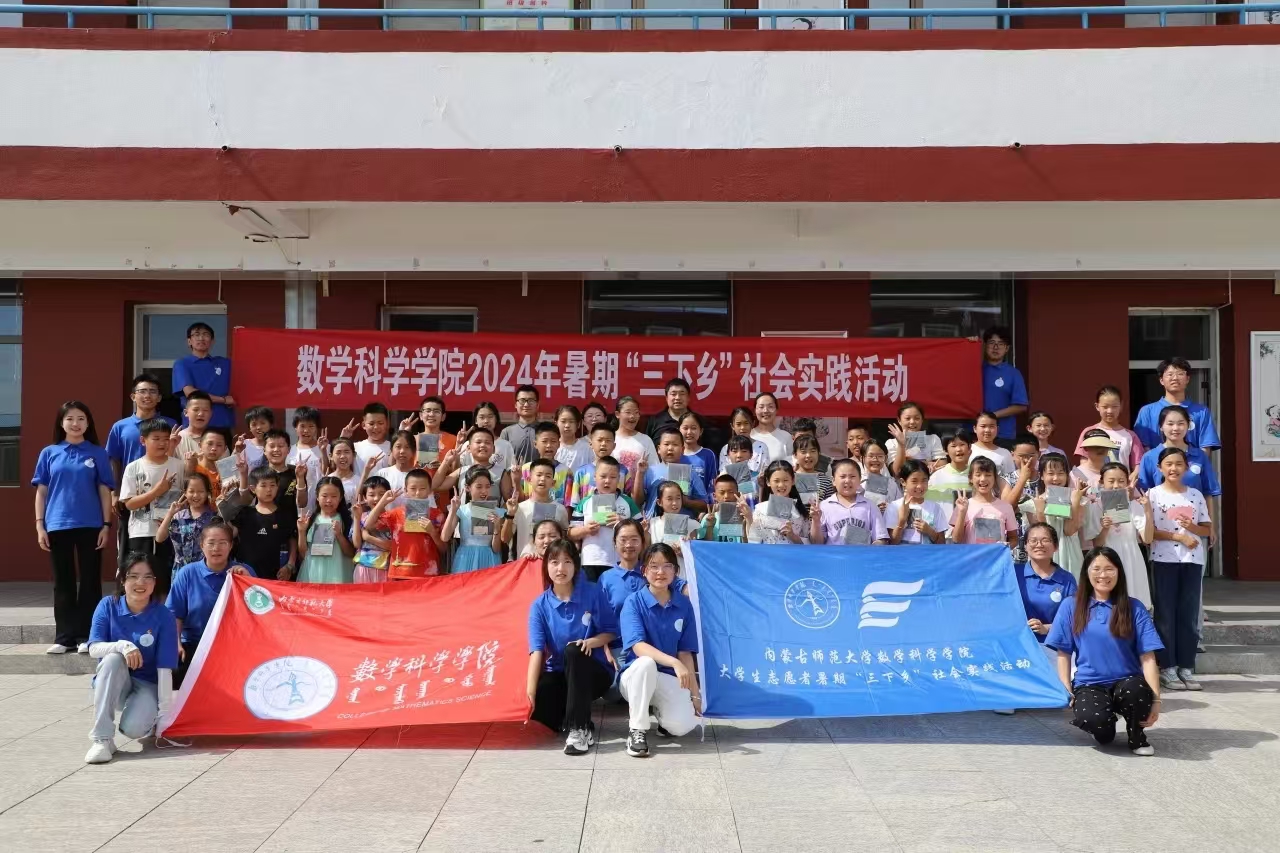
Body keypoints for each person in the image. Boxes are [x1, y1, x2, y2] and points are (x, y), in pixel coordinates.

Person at [1045, 547, 1163, 756]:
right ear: (1086, 572)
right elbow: (1063, 653)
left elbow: (1148, 657)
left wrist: (1156, 700)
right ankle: (1106, 724)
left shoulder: (1134, 607)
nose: (1103, 575)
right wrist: (1066, 689)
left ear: (1118, 572)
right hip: (1090, 683)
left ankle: (1137, 736)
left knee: (1137, 691)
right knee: (1097, 726)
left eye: (1109, 569)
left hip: (1128, 681)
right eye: (1096, 569)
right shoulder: (1071, 606)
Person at [33, 401, 115, 655]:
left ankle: (86, 636)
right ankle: (65, 636)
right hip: (57, 524)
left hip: (91, 525)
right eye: (70, 418)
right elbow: (41, 492)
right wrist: (40, 525)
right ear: (61, 423)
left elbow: (104, 491)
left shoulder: (98, 453)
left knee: (90, 581)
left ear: (88, 423)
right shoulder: (49, 453)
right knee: (63, 582)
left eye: (81, 418)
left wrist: (106, 525)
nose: (75, 423)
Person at [84, 553, 179, 764]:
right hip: (114, 681)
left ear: (155, 581)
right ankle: (102, 739)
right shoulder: (107, 605)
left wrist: (164, 713)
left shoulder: (164, 615)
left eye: (148, 577)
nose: (140, 583)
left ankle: (145, 717)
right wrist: (122, 646)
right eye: (133, 576)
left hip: (147, 684)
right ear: (122, 579)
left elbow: (165, 667)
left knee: (134, 730)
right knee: (112, 659)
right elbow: (93, 648)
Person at [526, 540, 618, 755]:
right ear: (546, 566)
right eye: (554, 562)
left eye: (567, 561)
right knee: (543, 713)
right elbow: (537, 651)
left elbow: (611, 631)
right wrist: (530, 692)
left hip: (594, 672)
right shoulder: (539, 605)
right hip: (561, 673)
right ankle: (579, 716)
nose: (561, 568)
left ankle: (579, 728)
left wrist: (590, 642)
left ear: (576, 565)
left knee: (574, 651)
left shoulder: (593, 592)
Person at [618, 543, 701, 757]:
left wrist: (695, 695)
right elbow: (638, 646)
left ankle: (661, 715)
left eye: (667, 566)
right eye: (653, 566)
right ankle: (637, 730)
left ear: (676, 571)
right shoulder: (633, 602)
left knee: (683, 726)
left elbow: (685, 652)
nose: (660, 572)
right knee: (646, 663)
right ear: (644, 571)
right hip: (635, 676)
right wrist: (673, 662)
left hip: (666, 679)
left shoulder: (684, 605)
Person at [1147, 447, 1212, 692]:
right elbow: (1149, 532)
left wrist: (1191, 528)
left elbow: (1207, 529)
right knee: (1165, 614)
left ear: (1186, 467)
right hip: (1163, 559)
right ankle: (1167, 667)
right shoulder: (1153, 495)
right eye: (1168, 464)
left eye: (1178, 464)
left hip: (1192, 561)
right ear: (1160, 468)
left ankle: (1186, 666)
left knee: (1188, 614)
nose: (1173, 468)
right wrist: (1178, 536)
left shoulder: (1195, 495)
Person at [166, 520, 253, 687]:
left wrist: (248, 582)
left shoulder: (244, 572)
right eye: (211, 543)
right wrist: (175, 643)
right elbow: (174, 613)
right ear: (202, 545)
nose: (216, 548)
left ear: (231, 546)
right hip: (194, 644)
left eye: (222, 543)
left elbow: (260, 611)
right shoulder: (187, 573)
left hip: (233, 646)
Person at [106, 374, 174, 570]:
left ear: (159, 397)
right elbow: (113, 459)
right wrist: (114, 492)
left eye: (152, 392)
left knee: (164, 549)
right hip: (132, 495)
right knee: (129, 550)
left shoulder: (170, 424)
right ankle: (128, 584)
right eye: (142, 391)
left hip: (166, 494)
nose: (147, 396)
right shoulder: (120, 427)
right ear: (133, 396)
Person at [119, 417, 185, 589]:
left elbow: (185, 497)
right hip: (142, 531)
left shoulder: (179, 466)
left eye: (165, 439)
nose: (162, 443)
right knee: (143, 576)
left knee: (167, 579)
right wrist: (157, 491)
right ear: (143, 440)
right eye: (156, 438)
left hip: (173, 531)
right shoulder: (134, 467)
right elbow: (129, 504)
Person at [1136, 406, 1221, 538]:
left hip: (1195, 531)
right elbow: (1143, 495)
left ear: (1188, 426)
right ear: (1161, 427)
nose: (1175, 428)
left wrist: (1211, 528)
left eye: (1181, 423)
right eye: (1170, 424)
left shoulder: (1199, 456)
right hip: (1161, 532)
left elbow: (1208, 493)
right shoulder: (1150, 457)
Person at [1088, 463, 1154, 608]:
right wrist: (1105, 528)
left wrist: (1148, 511)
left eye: (1121, 481)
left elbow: (1147, 538)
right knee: (1111, 603)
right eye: (1111, 481)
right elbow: (1097, 544)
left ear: (1127, 483)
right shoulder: (1095, 507)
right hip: (1107, 559)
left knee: (1134, 601)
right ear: (1101, 482)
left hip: (1132, 559)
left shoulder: (1133, 505)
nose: (1116, 486)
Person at [363, 471, 446, 579]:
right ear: (406, 490)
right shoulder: (396, 513)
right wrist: (382, 502)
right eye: (413, 488)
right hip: (399, 572)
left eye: (422, 489)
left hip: (427, 573)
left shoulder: (437, 515)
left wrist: (432, 532)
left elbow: (443, 549)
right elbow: (368, 525)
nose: (417, 493)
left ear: (430, 490)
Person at [569, 456, 639, 581]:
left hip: (620, 561)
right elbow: (571, 533)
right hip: (590, 561)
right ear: (594, 477)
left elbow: (641, 531)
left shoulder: (628, 502)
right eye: (603, 476)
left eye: (613, 477)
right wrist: (586, 530)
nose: (607, 481)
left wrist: (622, 524)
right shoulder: (585, 502)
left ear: (619, 479)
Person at [221, 468, 297, 581]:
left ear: (278, 486)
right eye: (263, 485)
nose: (269, 490)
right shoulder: (245, 513)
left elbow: (292, 540)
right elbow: (231, 533)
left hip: (276, 577)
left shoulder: (285, 515)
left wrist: (290, 566)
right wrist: (223, 507)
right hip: (246, 575)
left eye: (272, 485)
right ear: (253, 488)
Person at [1133, 356, 1221, 453]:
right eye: (1170, 374)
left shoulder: (1201, 411)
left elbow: (1205, 447)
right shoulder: (1147, 411)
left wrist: (1195, 463)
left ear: (1187, 379)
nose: (1175, 378)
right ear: (1161, 380)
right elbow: (1143, 447)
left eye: (1180, 374)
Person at [1030, 452, 1090, 579]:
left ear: (1067, 475)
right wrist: (1040, 511)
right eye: (1051, 473)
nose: (1056, 478)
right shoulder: (1034, 503)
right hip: (1044, 555)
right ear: (1041, 476)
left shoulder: (1078, 500)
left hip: (1070, 555)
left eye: (1061, 473)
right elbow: (1043, 535)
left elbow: (1069, 530)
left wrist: (1075, 503)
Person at [634, 428, 709, 519]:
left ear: (682, 449)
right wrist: (640, 473)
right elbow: (637, 502)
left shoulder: (690, 473)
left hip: (682, 523)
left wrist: (687, 502)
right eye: (666, 444)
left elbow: (704, 505)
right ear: (659, 449)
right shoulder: (649, 471)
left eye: (675, 444)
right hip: (654, 523)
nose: (670, 448)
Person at [501, 459, 570, 558]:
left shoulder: (560, 509)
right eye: (539, 475)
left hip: (551, 563)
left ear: (553, 483)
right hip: (526, 562)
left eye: (548, 476)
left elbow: (564, 539)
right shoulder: (520, 508)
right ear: (529, 479)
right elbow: (505, 539)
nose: (543, 479)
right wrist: (510, 515)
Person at [173, 322, 234, 429]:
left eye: (206, 334)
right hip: (195, 426)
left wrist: (241, 336)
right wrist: (223, 400)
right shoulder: (182, 364)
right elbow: (190, 393)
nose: (201, 338)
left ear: (212, 341)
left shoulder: (225, 363)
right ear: (189, 341)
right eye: (196, 335)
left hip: (221, 423)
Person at [813, 458, 889, 545]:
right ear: (833, 481)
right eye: (842, 477)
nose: (847, 480)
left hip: (862, 553)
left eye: (852, 476)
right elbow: (817, 543)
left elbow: (881, 538)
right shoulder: (824, 506)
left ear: (860, 480)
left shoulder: (870, 506)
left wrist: (874, 547)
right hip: (834, 553)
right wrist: (816, 521)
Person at [155, 472, 217, 576]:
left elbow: (231, 533)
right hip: (180, 572)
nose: (196, 495)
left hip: (205, 572)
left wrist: (222, 509)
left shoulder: (214, 518)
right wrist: (170, 514)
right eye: (191, 491)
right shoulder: (178, 516)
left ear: (207, 493)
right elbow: (159, 538)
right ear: (185, 493)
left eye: (201, 491)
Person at [296, 476, 356, 584]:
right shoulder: (310, 520)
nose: (329, 500)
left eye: (334, 496)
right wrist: (301, 531)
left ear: (340, 498)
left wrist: (339, 535)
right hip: (313, 573)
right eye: (324, 496)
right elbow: (303, 553)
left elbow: (351, 553)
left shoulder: (345, 520)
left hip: (338, 574)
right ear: (317, 496)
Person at [1074, 386, 1144, 474]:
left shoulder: (1130, 436)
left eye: (1114, 406)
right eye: (1105, 407)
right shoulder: (1089, 432)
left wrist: (1132, 477)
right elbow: (1084, 461)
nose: (1110, 411)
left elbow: (1138, 465)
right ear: (1097, 406)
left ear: (1121, 406)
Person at [950, 457, 1018, 548]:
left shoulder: (1006, 507)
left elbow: (1013, 538)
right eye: (978, 475)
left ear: (995, 478)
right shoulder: (963, 505)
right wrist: (962, 512)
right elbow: (956, 539)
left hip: (996, 556)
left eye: (988, 475)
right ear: (970, 478)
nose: (983, 479)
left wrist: (1004, 547)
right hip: (972, 556)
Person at [446, 469, 505, 574]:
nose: (484, 491)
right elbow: (445, 537)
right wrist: (453, 511)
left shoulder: (496, 513)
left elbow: (496, 549)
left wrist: (497, 528)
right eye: (479, 487)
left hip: (489, 559)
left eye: (487, 486)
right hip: (465, 559)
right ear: (468, 487)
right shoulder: (461, 510)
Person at [980, 325, 1029, 445]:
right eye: (992, 343)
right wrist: (969, 343)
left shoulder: (1013, 373)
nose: (996, 347)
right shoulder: (975, 369)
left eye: (1001, 344)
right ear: (985, 345)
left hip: (1003, 434)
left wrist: (992, 416)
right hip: (974, 432)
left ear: (1007, 348)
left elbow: (1021, 406)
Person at [885, 460, 948, 545]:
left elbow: (942, 543)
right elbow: (891, 543)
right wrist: (902, 521)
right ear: (903, 482)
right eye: (914, 481)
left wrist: (929, 531)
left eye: (924, 480)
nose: (919, 486)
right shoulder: (894, 507)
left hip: (927, 553)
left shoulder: (935, 508)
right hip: (902, 553)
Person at [1000, 434, 1041, 564]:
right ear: (1012, 455)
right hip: (1016, 537)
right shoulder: (1007, 478)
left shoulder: (1045, 477)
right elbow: (1006, 507)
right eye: (1022, 456)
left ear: (1039, 454)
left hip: (1040, 536)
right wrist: (1023, 478)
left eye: (1031, 455)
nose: (1027, 460)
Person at [748, 460, 810, 544]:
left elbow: (808, 544)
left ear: (793, 480)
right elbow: (754, 541)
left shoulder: (800, 510)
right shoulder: (760, 510)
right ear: (768, 482)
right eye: (776, 481)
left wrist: (792, 536)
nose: (781, 485)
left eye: (785, 480)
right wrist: (748, 518)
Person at [886, 401, 947, 475]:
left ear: (922, 420)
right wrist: (901, 445)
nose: (912, 422)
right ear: (899, 420)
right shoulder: (891, 443)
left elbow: (943, 465)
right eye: (907, 418)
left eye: (917, 418)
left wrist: (919, 461)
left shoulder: (933, 439)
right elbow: (896, 472)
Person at [613, 396, 659, 495]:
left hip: (638, 495)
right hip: (613, 493)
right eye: (628, 412)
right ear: (617, 414)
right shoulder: (610, 438)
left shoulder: (645, 440)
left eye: (636, 412)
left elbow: (655, 470)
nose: (632, 416)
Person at [927, 431, 973, 528]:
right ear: (945, 451)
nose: (958, 449)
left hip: (971, 532)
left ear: (969, 448)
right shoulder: (937, 477)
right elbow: (929, 508)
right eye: (953, 446)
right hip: (945, 532)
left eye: (962, 444)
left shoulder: (977, 476)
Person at [351, 476, 392, 583]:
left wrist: (369, 538)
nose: (376, 498)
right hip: (363, 568)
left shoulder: (393, 517)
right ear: (365, 497)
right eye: (371, 495)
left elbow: (392, 546)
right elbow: (357, 544)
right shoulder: (361, 516)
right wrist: (356, 518)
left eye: (381, 494)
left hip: (386, 570)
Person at [287, 406, 328, 515]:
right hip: (296, 510)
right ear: (295, 427)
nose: (306, 430)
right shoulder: (289, 452)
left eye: (311, 426)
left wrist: (323, 452)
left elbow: (329, 472)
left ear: (316, 428)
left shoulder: (326, 448)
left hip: (322, 508)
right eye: (302, 426)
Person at [519, 422, 571, 505]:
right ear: (535, 444)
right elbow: (519, 499)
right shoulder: (525, 469)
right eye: (544, 441)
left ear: (559, 444)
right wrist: (516, 480)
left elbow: (568, 503)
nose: (549, 445)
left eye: (553, 441)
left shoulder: (566, 471)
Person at [462, 401, 517, 474]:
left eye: (490, 417)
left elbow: (512, 471)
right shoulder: (467, 445)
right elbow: (459, 470)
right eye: (482, 417)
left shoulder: (506, 445)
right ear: (476, 420)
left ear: (496, 419)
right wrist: (459, 444)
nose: (486, 421)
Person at [698, 475, 754, 543]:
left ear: (738, 495)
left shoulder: (746, 517)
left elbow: (751, 545)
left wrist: (747, 522)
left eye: (731, 492)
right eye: (722, 493)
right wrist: (710, 527)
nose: (726, 496)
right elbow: (704, 546)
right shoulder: (708, 518)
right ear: (714, 496)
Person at [719, 406, 770, 475]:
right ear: (732, 426)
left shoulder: (761, 447)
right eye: (738, 424)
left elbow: (765, 473)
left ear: (753, 424)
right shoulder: (726, 449)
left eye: (746, 423)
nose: (742, 427)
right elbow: (723, 474)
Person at [679, 411, 718, 498]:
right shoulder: (675, 454)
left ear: (701, 431)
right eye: (685, 428)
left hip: (702, 503)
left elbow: (712, 483)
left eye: (693, 428)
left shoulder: (708, 455)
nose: (689, 432)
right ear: (679, 430)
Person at [501, 385, 541, 465]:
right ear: (516, 405)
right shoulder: (507, 432)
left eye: (531, 400)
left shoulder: (545, 430)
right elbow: (501, 460)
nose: (526, 404)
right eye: (522, 400)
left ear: (537, 405)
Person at [750, 392, 793, 463]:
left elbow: (792, 464)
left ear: (776, 410)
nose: (765, 410)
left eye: (770, 406)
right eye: (761, 407)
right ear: (755, 410)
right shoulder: (749, 435)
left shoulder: (786, 437)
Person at [970, 412, 1016, 477]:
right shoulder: (968, 450)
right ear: (975, 429)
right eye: (983, 426)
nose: (987, 430)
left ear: (997, 429)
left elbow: (1011, 479)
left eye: (991, 426)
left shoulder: (1005, 453)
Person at [349, 402, 392, 470]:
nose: (376, 427)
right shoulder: (355, 448)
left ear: (387, 424)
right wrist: (343, 438)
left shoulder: (393, 448)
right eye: (371, 424)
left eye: (380, 423)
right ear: (363, 425)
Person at [792, 435, 835, 502]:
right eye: (803, 452)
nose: (808, 455)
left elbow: (830, 505)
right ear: (795, 455)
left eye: (813, 451)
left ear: (818, 453)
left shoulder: (826, 481)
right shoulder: (789, 479)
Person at [173, 391, 213, 461]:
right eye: (196, 410)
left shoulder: (218, 439)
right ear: (186, 412)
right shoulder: (177, 439)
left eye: (205, 410)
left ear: (211, 413)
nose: (200, 414)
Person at [554, 405, 595, 474]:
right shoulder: (552, 447)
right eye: (563, 421)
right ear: (556, 423)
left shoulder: (588, 448)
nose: (567, 425)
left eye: (571, 422)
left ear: (578, 424)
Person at [239, 405, 274, 471]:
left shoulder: (278, 444)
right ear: (249, 428)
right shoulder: (244, 445)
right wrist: (237, 451)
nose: (258, 427)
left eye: (262, 423)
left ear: (271, 425)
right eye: (254, 424)